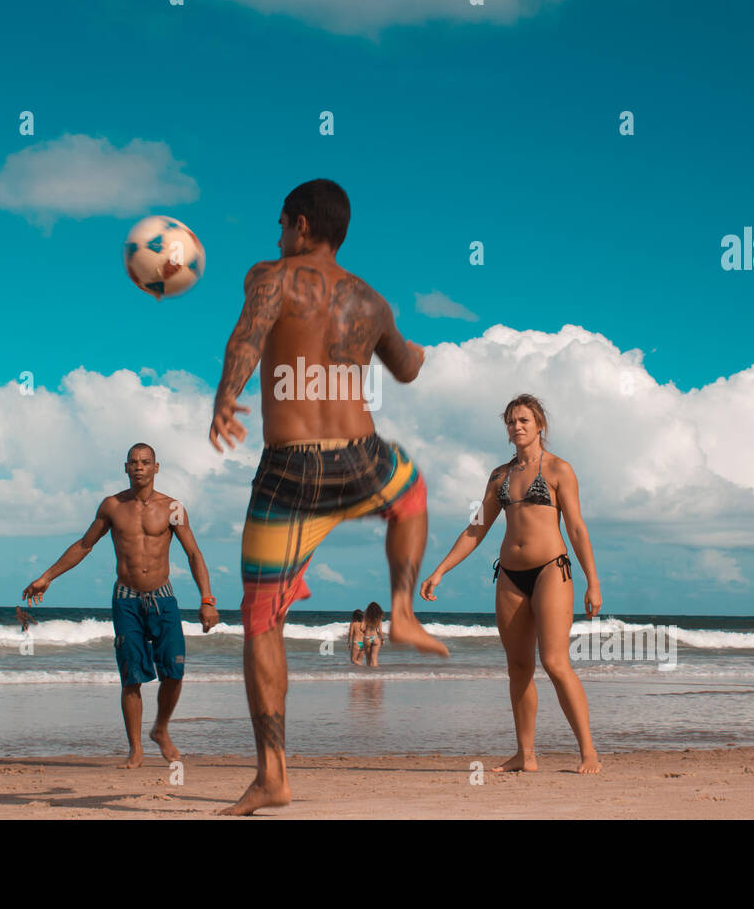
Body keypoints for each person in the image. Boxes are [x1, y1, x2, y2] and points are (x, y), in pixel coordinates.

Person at [209, 178, 448, 815]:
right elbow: (405, 366)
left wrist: (226, 396)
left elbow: (247, 339)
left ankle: (274, 775)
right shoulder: (371, 301)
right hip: (360, 461)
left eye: (282, 223)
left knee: (261, 623)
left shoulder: (273, 275)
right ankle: (401, 609)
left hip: (289, 473)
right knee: (413, 489)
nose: (278, 236)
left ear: (303, 228)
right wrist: (418, 353)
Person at [420, 394, 603, 775]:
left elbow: (576, 528)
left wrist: (592, 582)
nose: (516, 427)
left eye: (523, 420)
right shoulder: (498, 476)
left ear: (540, 425)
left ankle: (588, 752)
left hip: (552, 569)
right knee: (518, 666)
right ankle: (526, 754)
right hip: (509, 576)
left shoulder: (558, 469)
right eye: (510, 421)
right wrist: (440, 570)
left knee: (554, 662)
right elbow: (476, 528)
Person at [22, 443, 219, 768]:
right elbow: (85, 545)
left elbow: (194, 554)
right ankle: (135, 749)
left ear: (156, 468)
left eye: (145, 462)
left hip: (163, 596)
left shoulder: (172, 508)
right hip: (126, 599)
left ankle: (161, 729)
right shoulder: (112, 506)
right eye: (133, 462)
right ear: (125, 468)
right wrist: (48, 577)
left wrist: (207, 599)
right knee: (131, 676)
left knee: (174, 670)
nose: (139, 467)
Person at [362, 601, 386, 667]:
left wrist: (365, 632)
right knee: (374, 659)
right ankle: (376, 674)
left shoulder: (365, 617)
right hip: (375, 638)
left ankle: (369, 674)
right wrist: (383, 639)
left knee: (368, 659)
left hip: (367, 638)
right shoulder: (379, 618)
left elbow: (362, 628)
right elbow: (380, 631)